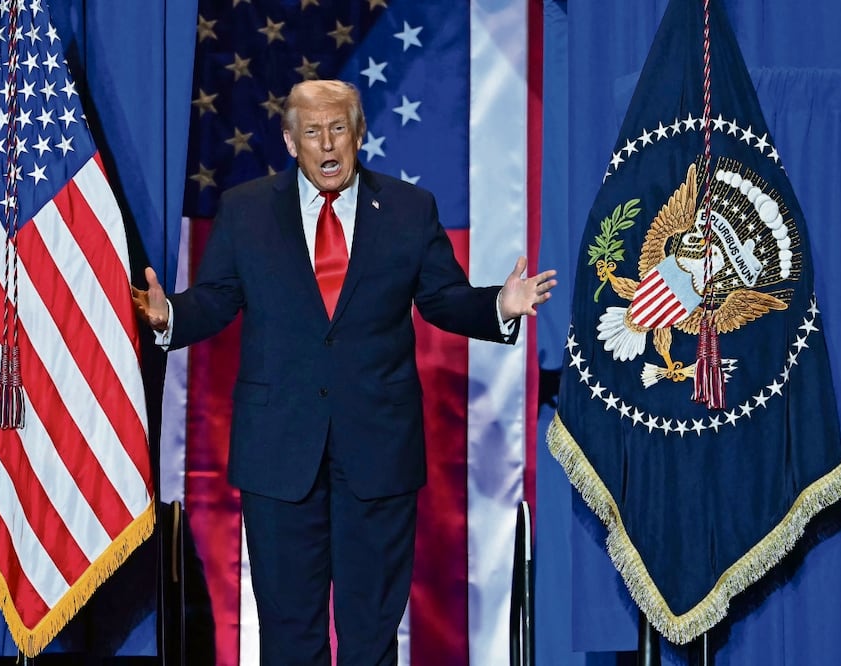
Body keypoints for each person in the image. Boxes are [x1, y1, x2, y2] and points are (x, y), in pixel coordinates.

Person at [132, 79, 557, 665]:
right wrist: (168, 316)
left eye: (338, 130)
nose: (327, 145)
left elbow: (442, 298)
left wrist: (497, 306)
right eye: (312, 132)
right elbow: (216, 299)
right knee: (289, 634)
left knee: (371, 634)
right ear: (289, 141)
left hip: (378, 452)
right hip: (280, 452)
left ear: (359, 135)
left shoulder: (410, 209)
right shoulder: (246, 211)